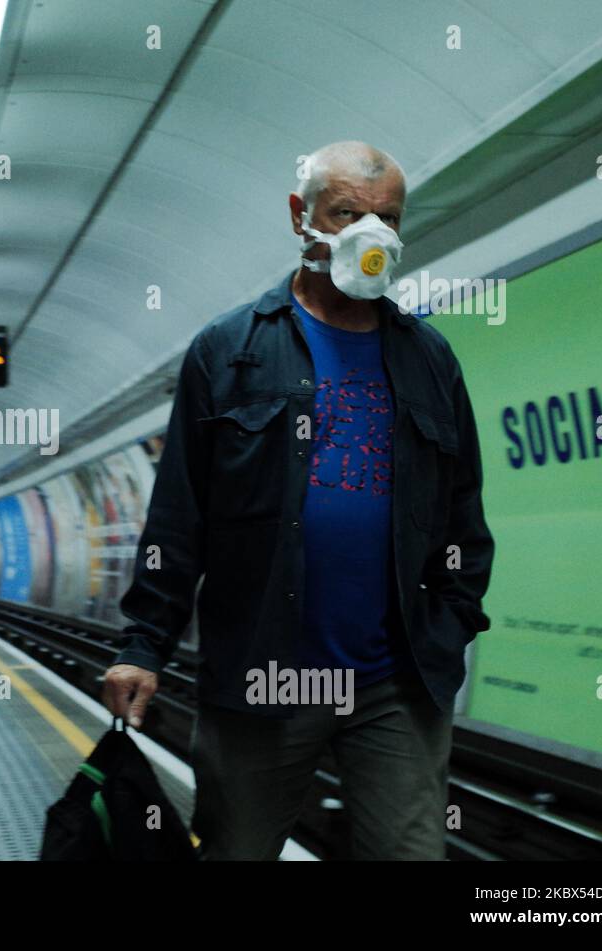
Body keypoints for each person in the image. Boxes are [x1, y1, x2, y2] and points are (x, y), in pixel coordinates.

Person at [103, 141, 494, 861]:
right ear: (300, 215)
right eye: (346, 213)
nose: (367, 235)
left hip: (394, 679)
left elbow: (463, 514)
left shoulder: (428, 358)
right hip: (263, 673)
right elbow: (178, 517)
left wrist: (451, 620)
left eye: (386, 218)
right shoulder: (228, 351)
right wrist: (142, 644)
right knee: (237, 850)